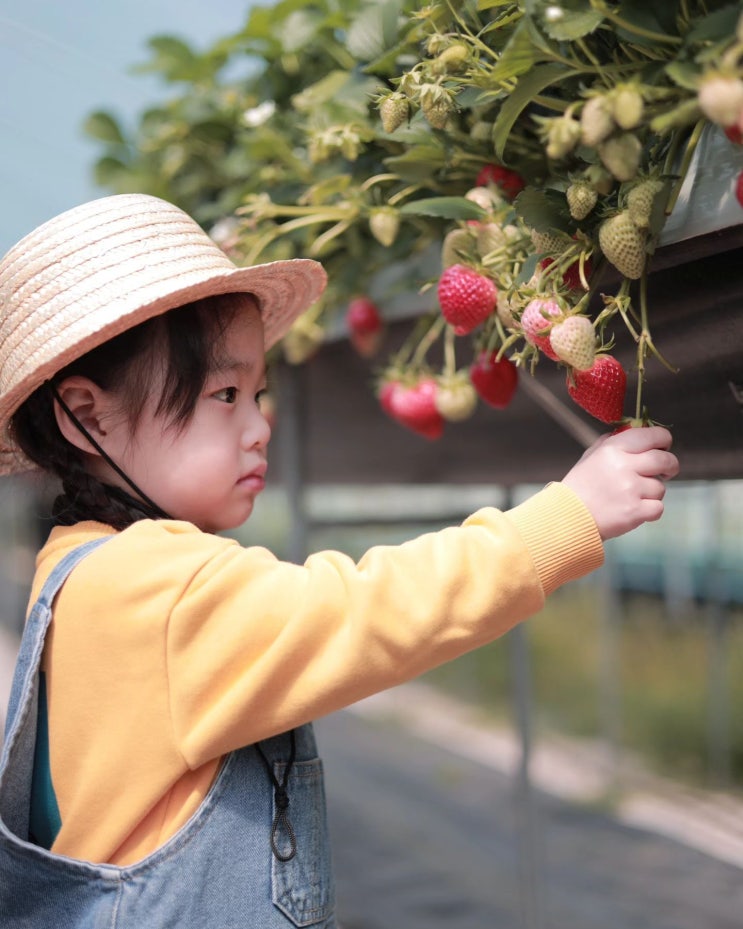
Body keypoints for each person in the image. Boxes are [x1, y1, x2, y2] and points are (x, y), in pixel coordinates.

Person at [0, 193, 678, 928]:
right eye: (223, 393)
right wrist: (562, 519)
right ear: (87, 415)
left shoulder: (81, 565)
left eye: (257, 392)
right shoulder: (146, 588)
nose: (260, 425)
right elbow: (359, 611)